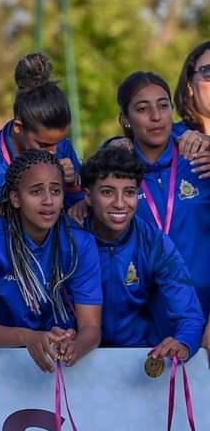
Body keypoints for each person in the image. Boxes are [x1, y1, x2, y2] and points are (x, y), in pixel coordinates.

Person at [0, 150, 102, 372]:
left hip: (49, 356)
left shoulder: (79, 243)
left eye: (56, 191)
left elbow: (91, 327)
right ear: (16, 198)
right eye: (36, 192)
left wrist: (75, 346)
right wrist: (27, 337)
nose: (48, 201)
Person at [79, 146, 202, 362]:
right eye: (107, 192)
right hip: (81, 357)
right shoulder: (70, 240)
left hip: (138, 357)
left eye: (129, 192)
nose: (120, 203)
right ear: (88, 196)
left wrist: (183, 342)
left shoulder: (154, 243)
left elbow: (189, 313)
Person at [109, 70, 210, 317]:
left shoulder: (201, 161)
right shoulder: (115, 172)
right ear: (125, 119)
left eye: (163, 106)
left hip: (205, 314)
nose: (156, 117)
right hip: (143, 320)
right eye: (143, 109)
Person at [0, 53, 82, 222]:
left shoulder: (63, 148)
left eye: (57, 143)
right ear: (18, 127)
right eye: (43, 145)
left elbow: (77, 214)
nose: (53, 152)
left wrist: (73, 186)